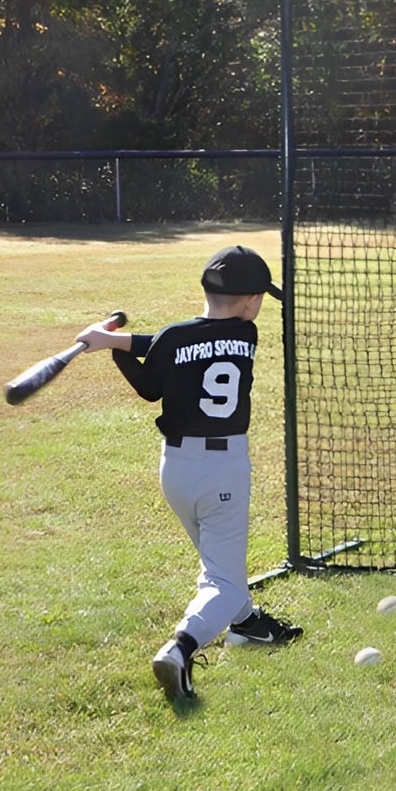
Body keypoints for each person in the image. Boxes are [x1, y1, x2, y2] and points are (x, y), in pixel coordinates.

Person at [75, 244, 302, 702]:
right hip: (223, 468)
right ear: (252, 301)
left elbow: (152, 376)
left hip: (176, 472)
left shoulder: (175, 339)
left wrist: (111, 344)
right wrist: (116, 341)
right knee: (225, 579)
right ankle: (180, 648)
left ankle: (245, 625)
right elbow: (177, 345)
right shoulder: (248, 334)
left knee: (219, 568)